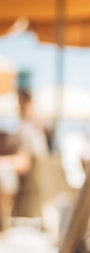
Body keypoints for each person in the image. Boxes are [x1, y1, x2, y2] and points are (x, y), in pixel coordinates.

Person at [0, 89, 49, 229]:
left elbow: (23, 164)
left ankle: (3, 222)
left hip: (30, 192)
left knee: (4, 174)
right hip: (34, 190)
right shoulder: (32, 128)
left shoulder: (28, 129)